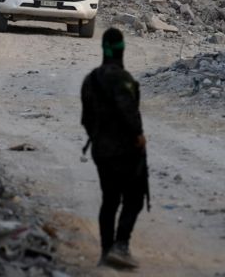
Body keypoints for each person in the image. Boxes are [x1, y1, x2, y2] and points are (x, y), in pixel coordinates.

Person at [81, 28, 147, 269]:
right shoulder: (124, 79)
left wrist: (98, 138)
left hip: (101, 150)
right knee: (134, 198)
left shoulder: (90, 80)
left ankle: (105, 252)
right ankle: (121, 246)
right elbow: (129, 112)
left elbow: (86, 119)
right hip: (126, 151)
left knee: (109, 200)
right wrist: (138, 136)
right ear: (122, 49)